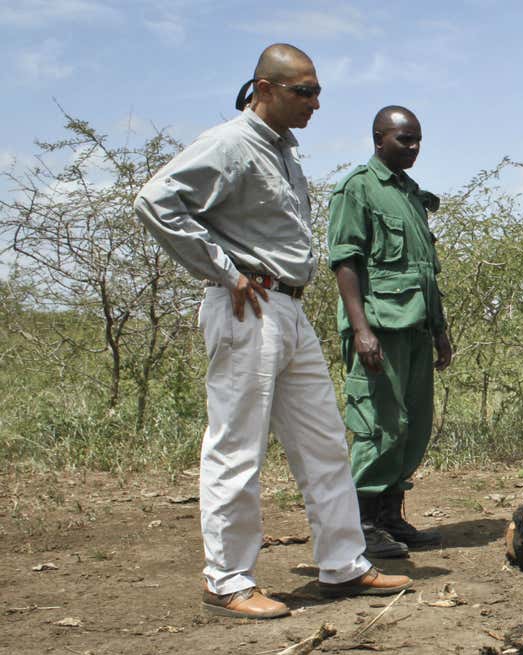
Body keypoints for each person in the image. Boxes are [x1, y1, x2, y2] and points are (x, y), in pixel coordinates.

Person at [134, 43, 411, 620]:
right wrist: (222, 269)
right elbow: (156, 201)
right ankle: (227, 578)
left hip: (290, 306)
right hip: (248, 304)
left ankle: (344, 564)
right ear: (264, 88)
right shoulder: (231, 143)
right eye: (303, 91)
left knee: (325, 442)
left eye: (318, 93)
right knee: (238, 447)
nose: (314, 103)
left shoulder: (283, 151)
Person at [327, 106, 453, 555]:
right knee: (379, 424)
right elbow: (345, 261)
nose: (414, 147)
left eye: (418, 139)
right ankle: (359, 524)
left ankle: (389, 518)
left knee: (412, 426)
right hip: (380, 328)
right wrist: (361, 329)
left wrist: (439, 329)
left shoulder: (411, 195)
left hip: (416, 328)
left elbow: (425, 270)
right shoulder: (356, 189)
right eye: (404, 139)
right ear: (379, 138)